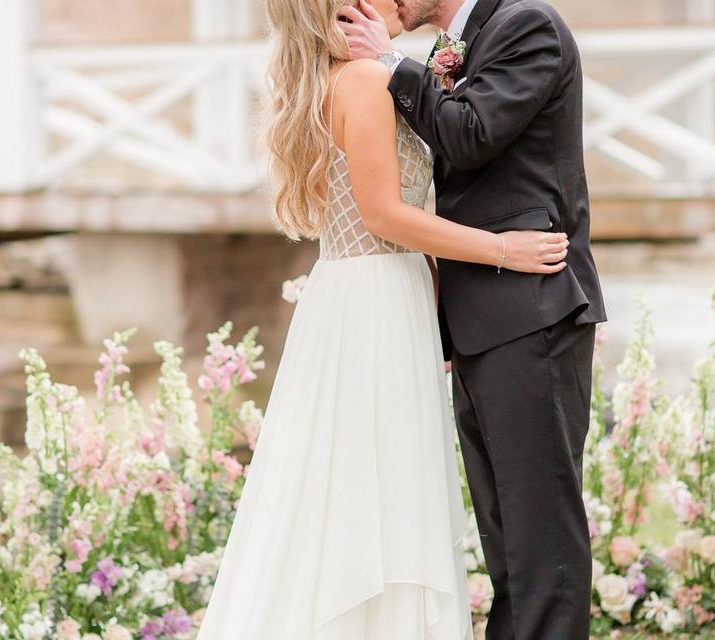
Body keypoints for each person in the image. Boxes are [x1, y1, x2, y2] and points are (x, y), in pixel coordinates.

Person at [195, 0, 572, 638]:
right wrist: (504, 249)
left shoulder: (328, 81)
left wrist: (439, 306)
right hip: (375, 295)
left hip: (361, 292)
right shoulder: (367, 79)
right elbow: (385, 216)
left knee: (347, 480)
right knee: (384, 486)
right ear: (337, 13)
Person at [338, 0, 607, 638]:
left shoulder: (526, 24)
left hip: (532, 305)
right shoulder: (446, 50)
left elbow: (470, 133)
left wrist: (386, 62)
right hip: (481, 316)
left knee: (541, 532)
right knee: (505, 528)